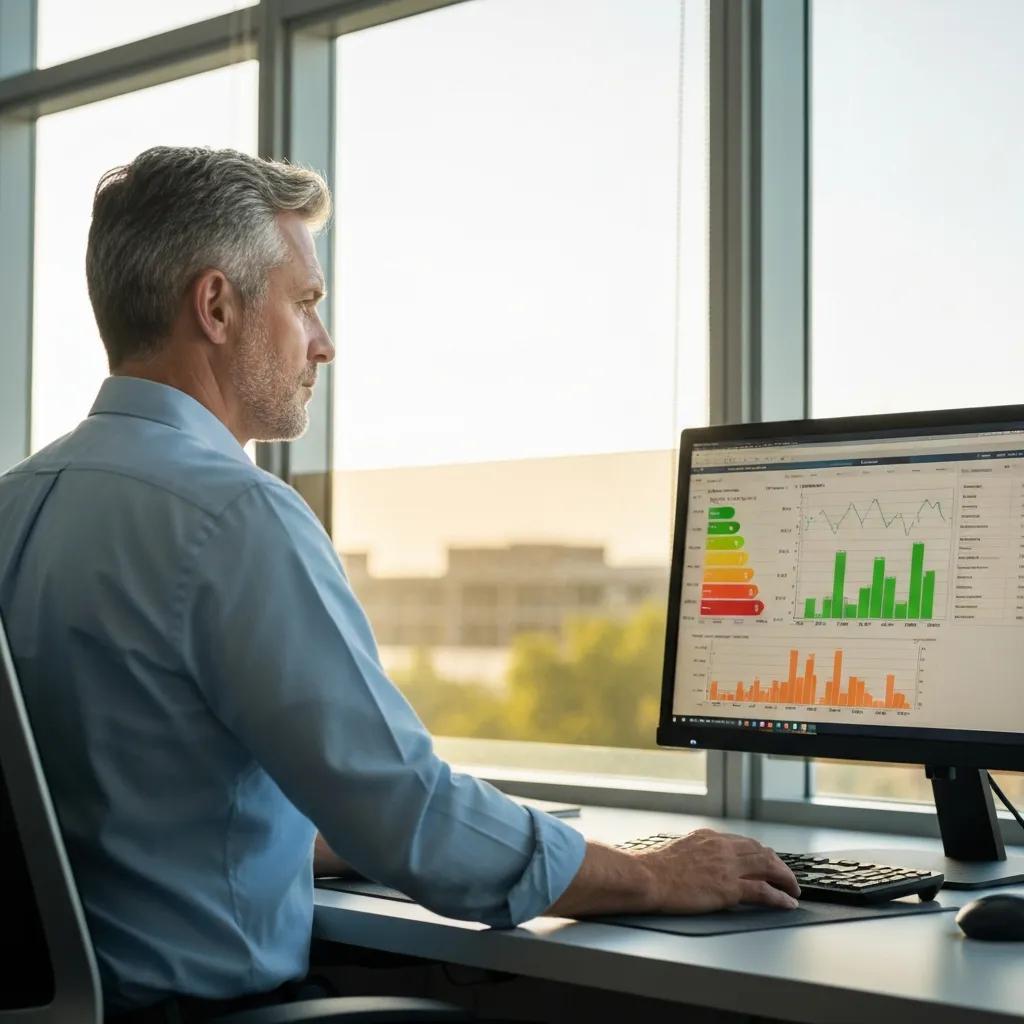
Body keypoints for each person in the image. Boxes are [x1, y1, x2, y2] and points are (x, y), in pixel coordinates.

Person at [0, 147, 799, 1018]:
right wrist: (651, 874)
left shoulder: (15, 504)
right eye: (304, 303)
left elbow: (99, 811)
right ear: (217, 305)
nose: (324, 343)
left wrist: (317, 837)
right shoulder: (232, 516)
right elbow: (413, 817)